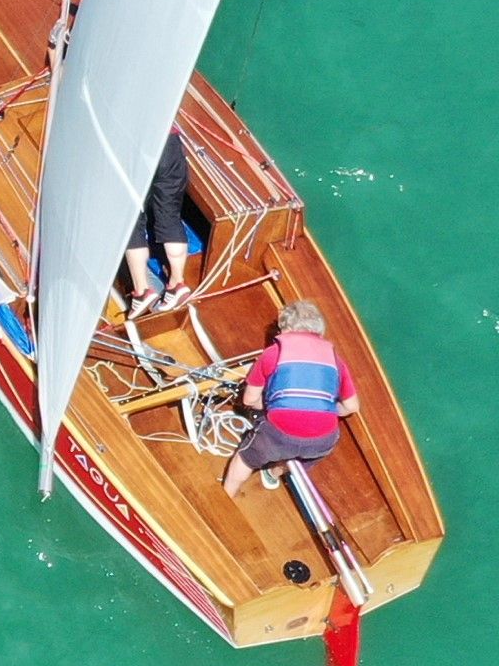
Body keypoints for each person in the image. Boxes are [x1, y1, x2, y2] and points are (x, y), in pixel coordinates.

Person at [221, 300, 357, 493]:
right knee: (301, 454)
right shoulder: (336, 360)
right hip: (322, 441)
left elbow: (249, 400)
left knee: (244, 459)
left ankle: (228, 493)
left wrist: (272, 406)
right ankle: (274, 473)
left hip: (280, 434)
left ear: (286, 329)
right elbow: (351, 407)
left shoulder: (272, 353)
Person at [121, 131, 199, 315]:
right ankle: (176, 283)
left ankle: (141, 291)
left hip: (135, 146)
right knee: (170, 214)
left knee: (132, 220)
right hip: (169, 144)